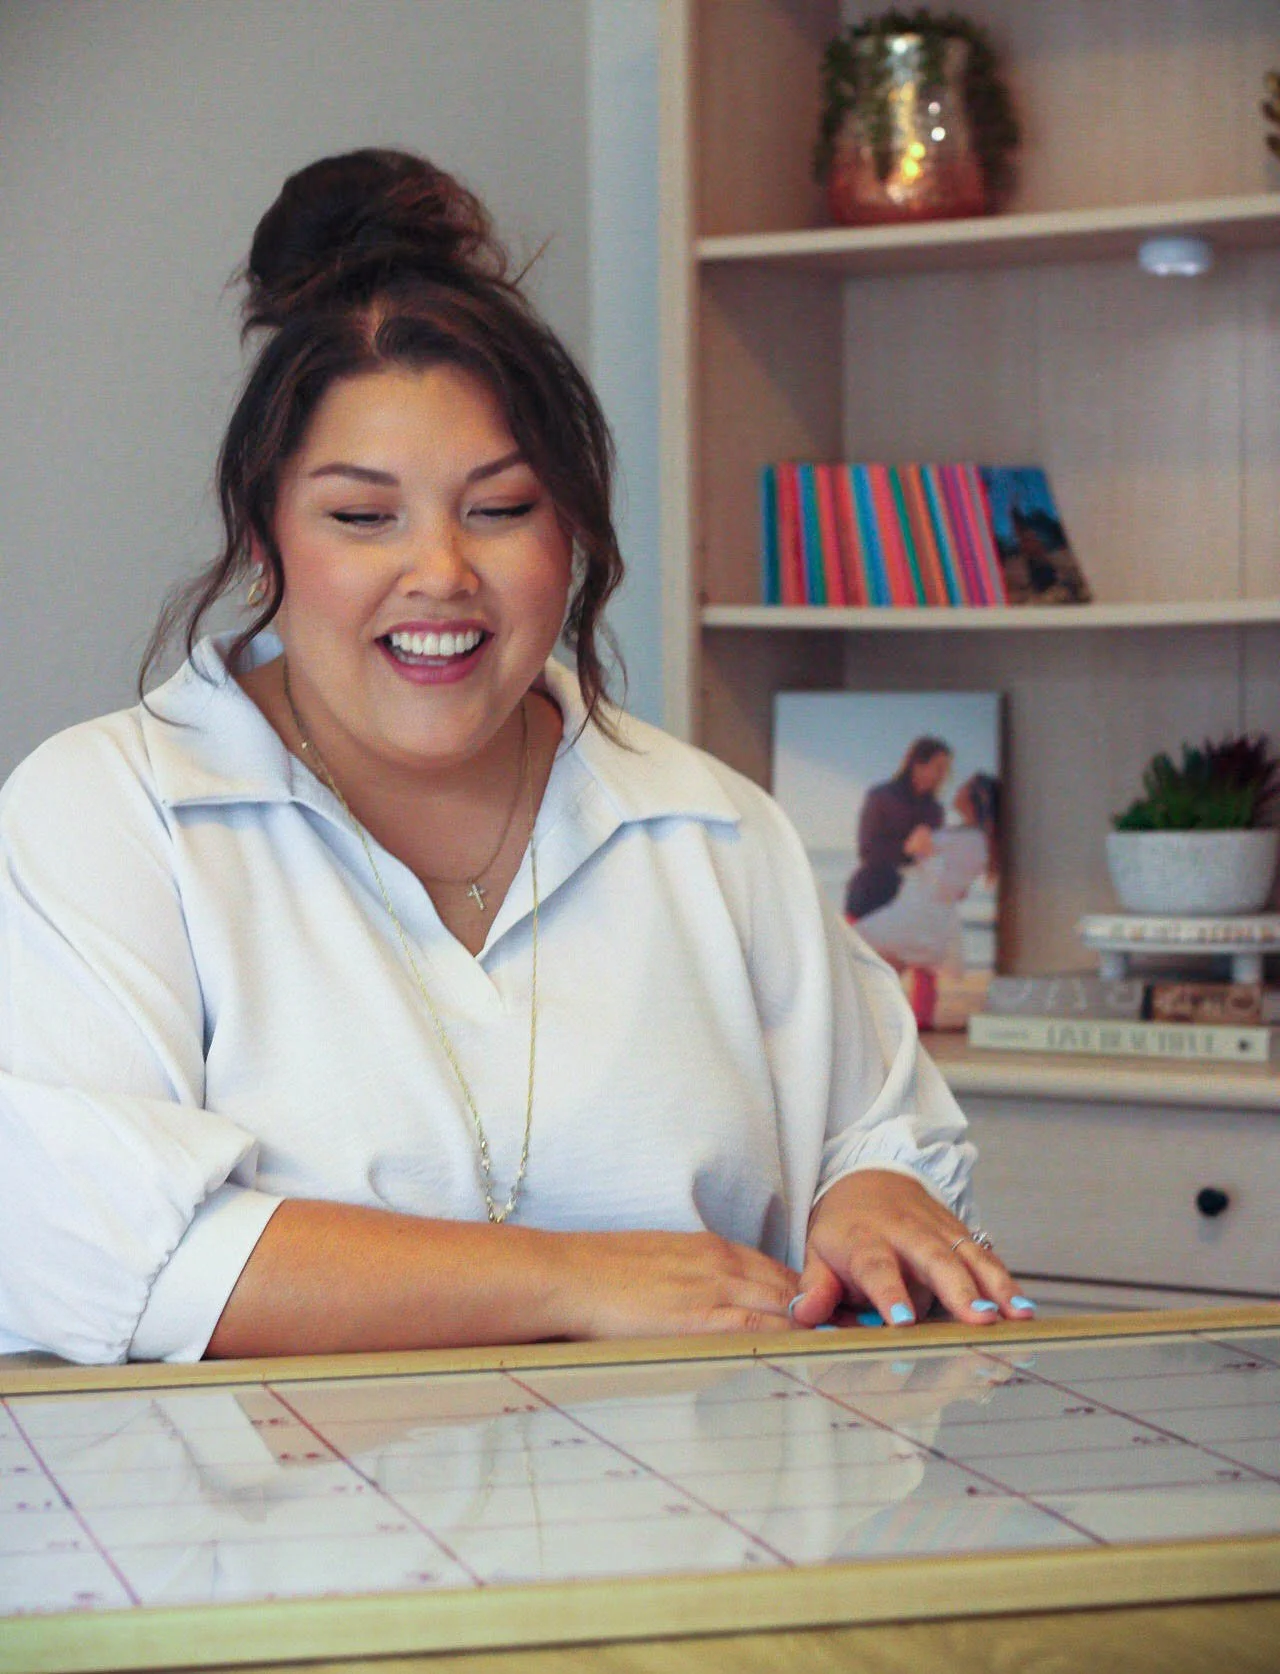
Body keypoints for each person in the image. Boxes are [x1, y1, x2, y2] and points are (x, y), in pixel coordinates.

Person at [0, 150, 1034, 1366]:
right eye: (360, 515)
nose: (440, 572)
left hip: (705, 1535)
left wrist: (866, 1201)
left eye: (498, 509)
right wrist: (574, 1283)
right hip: (272, 1552)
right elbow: (79, 1247)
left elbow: (878, 1133)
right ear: (265, 529)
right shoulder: (114, 811)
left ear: (573, 530)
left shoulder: (707, 825)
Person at [843, 738, 952, 922]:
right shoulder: (881, 796)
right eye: (939, 767)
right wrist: (907, 848)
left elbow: (931, 864)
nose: (945, 775)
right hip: (870, 896)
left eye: (946, 770)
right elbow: (867, 851)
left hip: (911, 901)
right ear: (918, 764)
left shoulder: (935, 810)